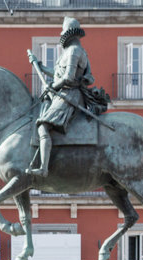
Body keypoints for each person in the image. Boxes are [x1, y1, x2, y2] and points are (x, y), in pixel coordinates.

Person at [26, 17, 96, 179]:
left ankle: (43, 168)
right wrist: (41, 67)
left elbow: (68, 78)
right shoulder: (74, 51)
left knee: (43, 126)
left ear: (68, 34)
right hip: (63, 94)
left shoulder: (74, 51)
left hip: (69, 95)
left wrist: (53, 86)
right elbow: (58, 74)